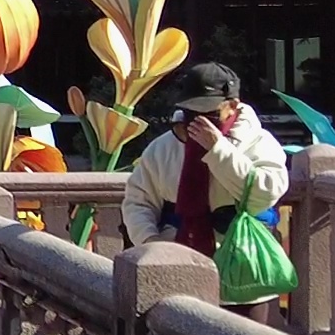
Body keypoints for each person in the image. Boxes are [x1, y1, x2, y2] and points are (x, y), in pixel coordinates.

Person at [119, 62, 291, 258]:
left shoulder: (259, 142)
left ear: (232, 106)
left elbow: (265, 195)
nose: (198, 120)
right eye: (190, 112)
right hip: (175, 256)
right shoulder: (163, 147)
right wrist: (151, 242)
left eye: (208, 112)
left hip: (243, 257)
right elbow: (138, 202)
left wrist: (218, 150)